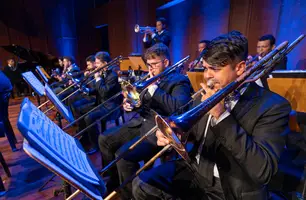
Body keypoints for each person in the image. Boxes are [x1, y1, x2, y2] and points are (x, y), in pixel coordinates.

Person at [132, 31, 291, 200]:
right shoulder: (208, 91)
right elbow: (190, 129)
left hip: (231, 186)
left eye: (214, 69)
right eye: (206, 67)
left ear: (240, 68)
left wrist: (222, 117)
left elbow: (263, 170)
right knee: (142, 184)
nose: (207, 75)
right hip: (197, 170)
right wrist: (175, 133)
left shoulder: (273, 106)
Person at [98, 43, 193, 199]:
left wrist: (155, 89)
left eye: (155, 64)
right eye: (149, 65)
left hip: (159, 130)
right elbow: (139, 102)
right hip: (140, 122)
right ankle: (114, 184)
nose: (150, 69)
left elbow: (179, 108)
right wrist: (130, 106)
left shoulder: (179, 80)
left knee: (123, 156)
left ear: (166, 62)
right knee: (105, 139)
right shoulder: (149, 77)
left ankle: (129, 196)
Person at [80, 51, 122, 154]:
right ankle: (86, 137)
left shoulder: (112, 75)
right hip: (101, 103)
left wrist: (98, 78)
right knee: (81, 110)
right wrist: (88, 91)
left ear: (105, 63)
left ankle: (96, 145)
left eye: (98, 63)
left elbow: (103, 92)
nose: (95, 65)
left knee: (89, 117)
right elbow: (98, 90)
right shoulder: (103, 72)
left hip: (110, 106)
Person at [0, 70, 18, 152]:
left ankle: (13, 144)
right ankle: (13, 141)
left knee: (3, 119)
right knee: (4, 118)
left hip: (2, 92)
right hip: (6, 90)